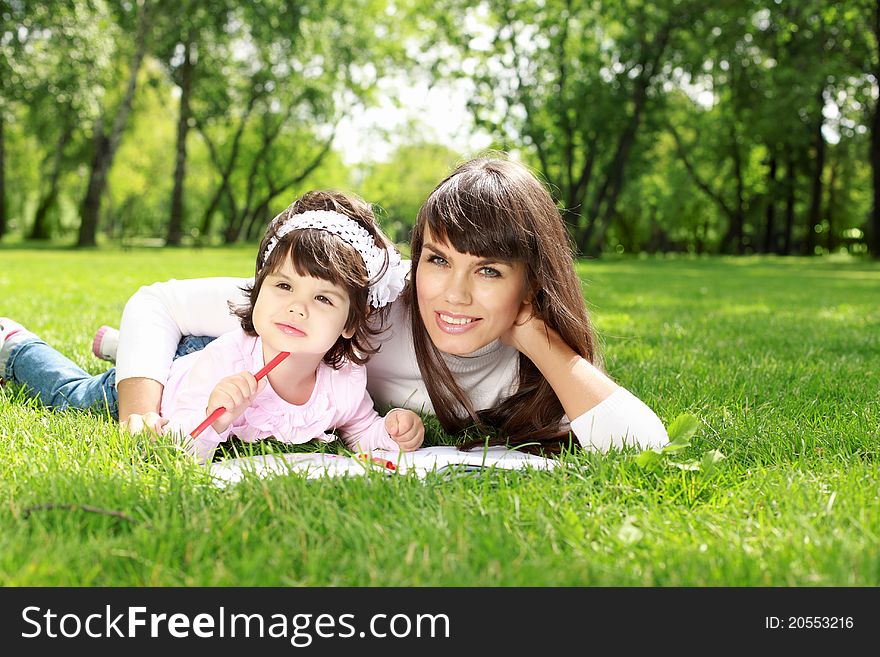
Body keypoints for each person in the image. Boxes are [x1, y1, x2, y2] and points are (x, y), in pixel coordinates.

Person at [4, 155, 668, 453]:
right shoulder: (365, 298)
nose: (453, 294)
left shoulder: (531, 360)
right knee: (82, 393)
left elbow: (643, 448)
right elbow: (160, 301)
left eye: (489, 270)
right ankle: (17, 343)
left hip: (290, 381)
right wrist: (140, 414)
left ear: (532, 277)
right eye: (438, 259)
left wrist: (538, 339)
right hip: (220, 363)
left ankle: (115, 344)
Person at [1, 191, 424, 463]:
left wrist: (390, 432)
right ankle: (16, 345)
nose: (297, 309)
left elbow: (359, 428)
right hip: (178, 382)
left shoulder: (344, 378)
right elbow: (178, 449)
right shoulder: (225, 364)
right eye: (282, 286)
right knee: (73, 396)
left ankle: (117, 343)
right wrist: (215, 419)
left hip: (199, 351)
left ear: (350, 324)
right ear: (257, 292)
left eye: (322, 298)